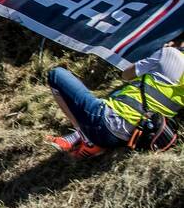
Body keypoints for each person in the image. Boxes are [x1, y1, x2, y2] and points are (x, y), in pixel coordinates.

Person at [46, 42, 183, 159]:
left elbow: (126, 74)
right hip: (138, 136)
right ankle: (76, 136)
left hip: (105, 125)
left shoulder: (170, 53)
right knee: (125, 93)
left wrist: (159, 56)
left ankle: (86, 139)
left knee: (56, 75)